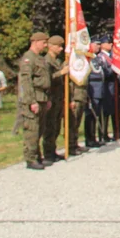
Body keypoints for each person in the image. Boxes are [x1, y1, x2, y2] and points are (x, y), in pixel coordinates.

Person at [19, 32, 51, 170]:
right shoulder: (28, 59)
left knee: (40, 129)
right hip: (33, 98)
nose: (45, 45)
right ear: (35, 42)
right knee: (32, 129)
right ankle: (30, 158)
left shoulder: (40, 58)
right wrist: (31, 101)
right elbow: (26, 82)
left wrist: (47, 98)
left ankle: (37, 156)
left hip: (42, 97)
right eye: (44, 43)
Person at [41, 35, 69, 164]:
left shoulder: (57, 61)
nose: (61, 48)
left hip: (58, 97)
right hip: (51, 97)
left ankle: (53, 150)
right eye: (58, 46)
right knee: (49, 126)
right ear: (50, 46)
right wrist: (61, 73)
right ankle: (47, 153)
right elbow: (47, 79)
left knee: (56, 126)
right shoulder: (46, 61)